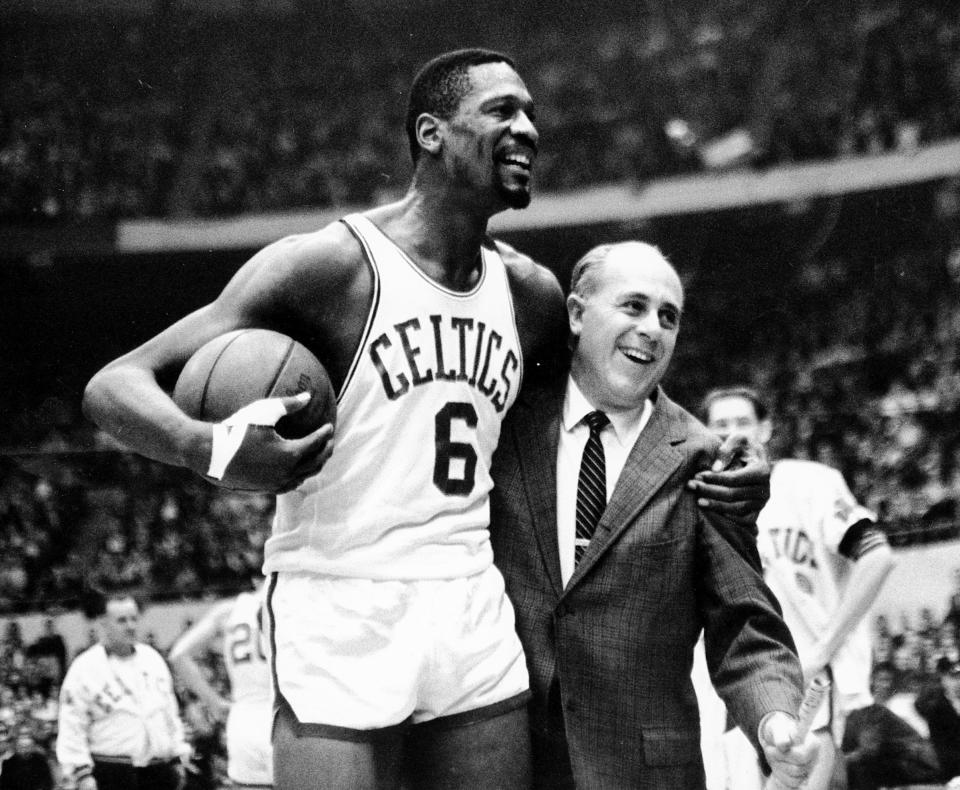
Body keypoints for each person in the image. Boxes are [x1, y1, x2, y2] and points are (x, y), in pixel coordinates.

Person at [82, 49, 767, 789]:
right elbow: (115, 384)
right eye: (503, 110)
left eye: (532, 113)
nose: (529, 129)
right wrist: (205, 446)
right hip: (339, 593)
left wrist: (718, 454)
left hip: (467, 595)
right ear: (432, 133)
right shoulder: (332, 266)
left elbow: (619, 386)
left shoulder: (528, 292)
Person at [488, 241, 815, 789]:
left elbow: (745, 625)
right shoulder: (506, 423)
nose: (653, 328)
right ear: (575, 314)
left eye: (668, 316)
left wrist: (773, 718)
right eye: (633, 306)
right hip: (512, 763)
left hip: (646, 774)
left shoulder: (704, 459)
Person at [701, 386, 897, 790]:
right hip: (732, 684)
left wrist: (823, 649)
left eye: (743, 423)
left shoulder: (810, 484)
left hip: (804, 676)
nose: (733, 433)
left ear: (767, 429)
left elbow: (877, 556)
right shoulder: (700, 497)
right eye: (720, 426)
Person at [55, 590, 190, 790]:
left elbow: (170, 714)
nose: (131, 626)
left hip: (158, 770)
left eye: (134, 619)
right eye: (122, 620)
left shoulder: (153, 659)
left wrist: (177, 755)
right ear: (104, 624)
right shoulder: (84, 668)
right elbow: (72, 725)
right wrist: (82, 773)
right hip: (111, 770)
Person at [168, 581, 272, 788]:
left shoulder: (229, 610)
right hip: (283, 720)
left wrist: (213, 702)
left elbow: (178, 655)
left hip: (243, 721)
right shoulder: (291, 604)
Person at [840, 662, 941, 790]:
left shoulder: (877, 710)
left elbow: (868, 751)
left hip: (920, 765)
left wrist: (837, 762)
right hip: (904, 761)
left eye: (889, 680)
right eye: (881, 680)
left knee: (861, 766)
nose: (885, 685)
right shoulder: (858, 711)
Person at [915, 656, 960, 783]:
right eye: (954, 677)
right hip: (951, 773)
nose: (958, 682)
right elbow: (941, 750)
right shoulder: (937, 710)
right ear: (944, 679)